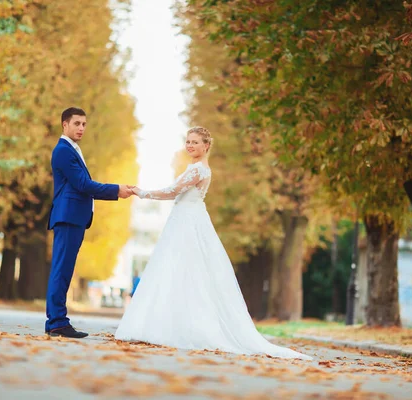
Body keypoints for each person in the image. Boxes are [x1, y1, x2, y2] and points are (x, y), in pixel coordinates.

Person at [115, 127, 312, 360]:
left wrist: (141, 192)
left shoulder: (198, 169)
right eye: (187, 141)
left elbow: (173, 191)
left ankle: (184, 326)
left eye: (195, 142)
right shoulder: (195, 168)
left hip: (188, 224)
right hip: (183, 221)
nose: (190, 146)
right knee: (175, 270)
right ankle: (169, 322)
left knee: (186, 271)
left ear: (206, 145)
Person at [46, 107, 134, 338]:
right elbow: (83, 185)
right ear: (65, 125)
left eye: (84, 124)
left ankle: (57, 320)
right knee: (61, 270)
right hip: (68, 216)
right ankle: (56, 321)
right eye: (77, 124)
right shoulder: (64, 151)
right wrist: (117, 190)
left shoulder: (72, 150)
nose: (81, 128)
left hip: (74, 217)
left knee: (64, 270)